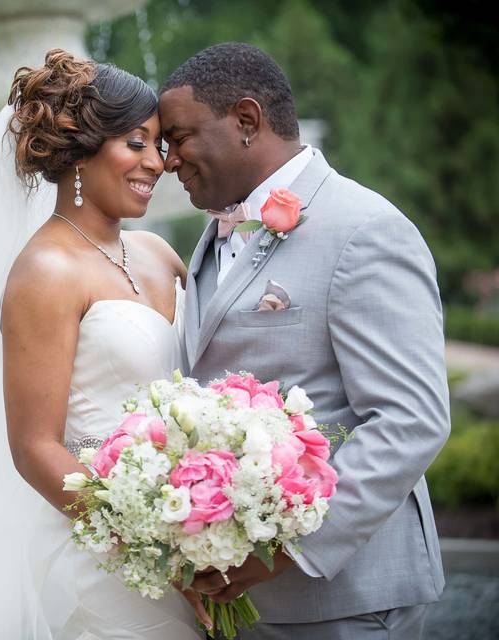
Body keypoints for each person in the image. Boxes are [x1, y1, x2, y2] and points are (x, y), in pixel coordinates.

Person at [158, 42, 450, 639]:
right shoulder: (213, 233)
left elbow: (411, 418)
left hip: (345, 597)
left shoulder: (365, 230)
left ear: (246, 121)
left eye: (180, 137)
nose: (168, 162)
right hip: (238, 599)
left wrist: (284, 553)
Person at [0, 49, 200, 639]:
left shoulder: (158, 254)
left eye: (159, 146)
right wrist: (152, 548)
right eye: (135, 143)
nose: (157, 162)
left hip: (195, 534)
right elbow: (34, 448)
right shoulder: (43, 273)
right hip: (110, 562)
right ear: (79, 151)